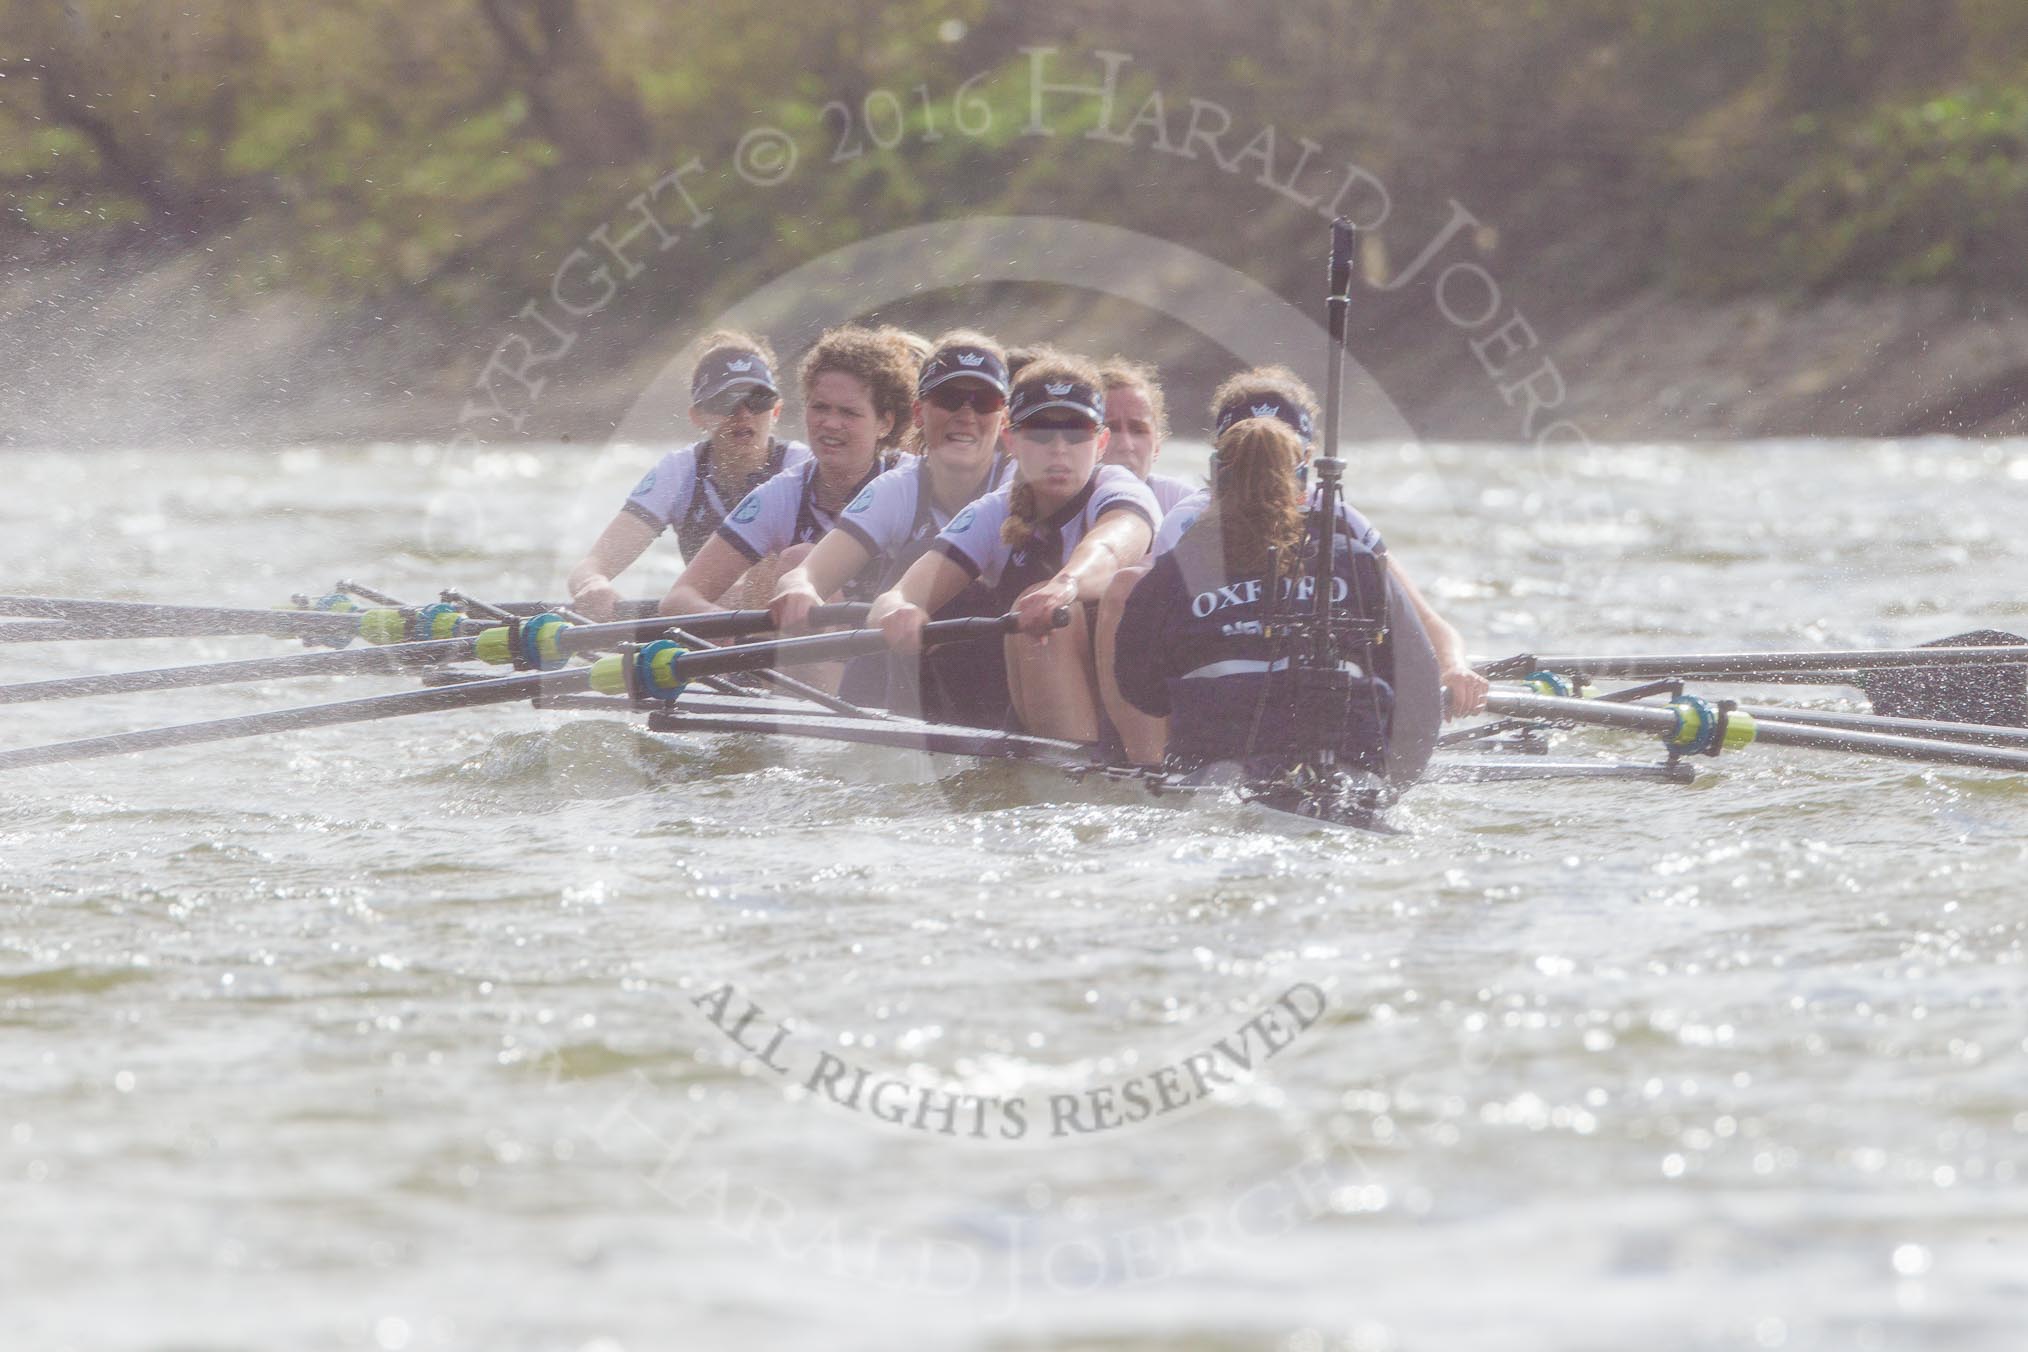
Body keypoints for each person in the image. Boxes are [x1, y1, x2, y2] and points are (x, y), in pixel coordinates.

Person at [1097, 366, 1487, 764]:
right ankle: (1151, 763)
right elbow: (1156, 631)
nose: (1263, 466)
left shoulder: (1341, 519)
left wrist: (1454, 669)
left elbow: (1424, 620)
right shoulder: (1189, 520)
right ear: (1221, 460)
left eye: (1277, 452)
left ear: (1306, 458)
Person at [868, 353, 1160, 742]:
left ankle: (1073, 771)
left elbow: (1112, 546)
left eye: (1076, 431)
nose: (1059, 449)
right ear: (1011, 440)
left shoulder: (1118, 488)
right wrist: (900, 609)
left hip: (1130, 709)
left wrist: (1066, 585)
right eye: (1040, 431)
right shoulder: (994, 510)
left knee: (1042, 601)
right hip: (1031, 699)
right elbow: (900, 593)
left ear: (1101, 442)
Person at [769, 331, 1017, 722]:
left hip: (1002, 667)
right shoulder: (898, 489)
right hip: (903, 667)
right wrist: (799, 589)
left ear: (1003, 420)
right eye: (950, 400)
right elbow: (810, 571)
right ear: (919, 413)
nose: (966, 415)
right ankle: (861, 733)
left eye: (983, 402)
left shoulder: (1022, 485)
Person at [658, 325, 918, 617]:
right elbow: (679, 598)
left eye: (849, 412)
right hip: (822, 654)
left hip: (900, 651)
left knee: (801, 558)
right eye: (820, 407)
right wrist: (720, 625)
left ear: (885, 423)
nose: (830, 423)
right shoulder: (781, 495)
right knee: (796, 559)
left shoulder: (915, 481)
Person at [567, 332, 806, 620]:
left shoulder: (801, 465)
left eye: (757, 400)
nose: (743, 414)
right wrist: (593, 585)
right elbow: (591, 566)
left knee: (775, 566)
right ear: (698, 416)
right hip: (707, 623)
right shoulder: (678, 472)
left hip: (786, 622)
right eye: (725, 401)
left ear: (776, 410)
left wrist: (745, 591)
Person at [1098, 358, 1196, 513]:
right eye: (1111, 430)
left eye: (1138, 430)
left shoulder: (1186, 505)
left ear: (1157, 446)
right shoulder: (1053, 504)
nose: (1126, 445)